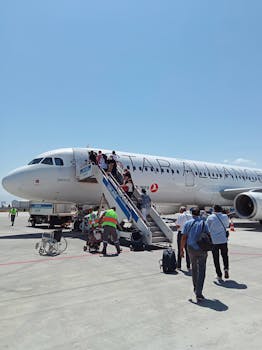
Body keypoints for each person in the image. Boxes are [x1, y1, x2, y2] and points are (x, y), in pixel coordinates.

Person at [180, 206, 210, 302]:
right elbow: (208, 235)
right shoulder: (203, 223)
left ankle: (195, 288)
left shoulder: (188, 223)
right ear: (199, 214)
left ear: (192, 213)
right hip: (202, 249)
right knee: (202, 270)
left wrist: (181, 250)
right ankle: (199, 292)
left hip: (191, 249)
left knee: (194, 269)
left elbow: (184, 237)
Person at [206, 204, 230, 281]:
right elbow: (227, 225)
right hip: (223, 240)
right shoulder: (225, 216)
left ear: (214, 210)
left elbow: (207, 228)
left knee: (216, 258)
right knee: (225, 256)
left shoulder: (210, 217)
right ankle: (226, 269)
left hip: (214, 241)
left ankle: (219, 274)